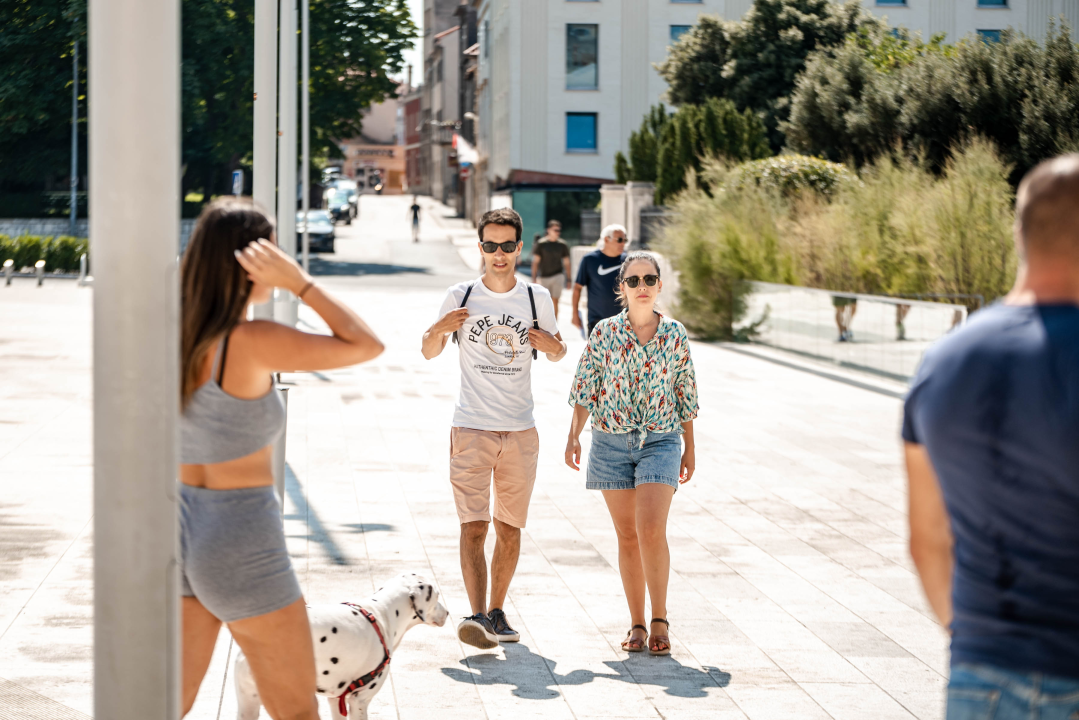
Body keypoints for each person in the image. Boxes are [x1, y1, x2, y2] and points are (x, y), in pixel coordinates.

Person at [179, 198, 384, 718]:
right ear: (249, 258)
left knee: (161, 704)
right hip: (241, 537)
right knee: (295, 712)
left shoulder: (172, 337)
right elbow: (366, 344)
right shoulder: (247, 342)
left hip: (177, 525)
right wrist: (299, 283)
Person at [903, 154, 1079, 718]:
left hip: (982, 674)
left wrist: (975, 636)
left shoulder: (943, 362)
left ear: (1020, 233)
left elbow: (926, 541)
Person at [421, 207, 568, 649]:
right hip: (471, 427)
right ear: (480, 247)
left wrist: (553, 346)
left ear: (520, 248)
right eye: (490, 245)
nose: (498, 254)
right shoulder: (461, 294)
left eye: (507, 246)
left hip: (520, 430)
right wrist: (439, 328)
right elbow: (429, 351)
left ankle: (497, 612)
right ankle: (476, 613)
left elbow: (558, 353)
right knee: (473, 526)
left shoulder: (535, 298)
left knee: (509, 527)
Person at [564, 250, 698, 657]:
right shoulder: (604, 333)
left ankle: (660, 618)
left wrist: (690, 447)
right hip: (610, 442)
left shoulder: (675, 334)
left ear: (660, 285)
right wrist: (573, 436)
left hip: (661, 439)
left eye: (649, 279)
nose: (642, 287)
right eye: (634, 280)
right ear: (621, 288)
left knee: (651, 529)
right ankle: (637, 622)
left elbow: (685, 393)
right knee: (626, 535)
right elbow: (585, 388)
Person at [572, 224, 628, 336]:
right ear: (606, 239)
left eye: (625, 240)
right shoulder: (590, 260)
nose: (623, 243)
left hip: (624, 322)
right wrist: (575, 314)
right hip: (597, 322)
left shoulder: (628, 261)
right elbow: (577, 288)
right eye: (620, 240)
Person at [531, 220, 571, 320]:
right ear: (549, 230)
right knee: (544, 302)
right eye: (555, 230)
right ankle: (544, 324)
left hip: (558, 275)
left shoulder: (562, 245)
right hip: (544, 277)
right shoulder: (541, 244)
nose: (558, 232)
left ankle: (554, 326)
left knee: (555, 301)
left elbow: (567, 263)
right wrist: (534, 278)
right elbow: (535, 262)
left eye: (559, 230)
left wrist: (569, 279)